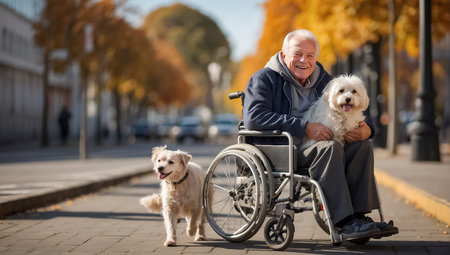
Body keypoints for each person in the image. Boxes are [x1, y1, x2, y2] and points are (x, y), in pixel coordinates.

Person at [243, 29, 398, 241]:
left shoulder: (325, 79)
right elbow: (254, 117)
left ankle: (360, 217)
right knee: (330, 146)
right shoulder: (264, 78)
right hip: (283, 150)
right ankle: (343, 222)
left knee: (362, 146)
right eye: (297, 54)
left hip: (318, 148)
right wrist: (304, 127)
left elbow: (356, 105)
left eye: (310, 56)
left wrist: (367, 129)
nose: (303, 61)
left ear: (316, 58)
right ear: (284, 53)